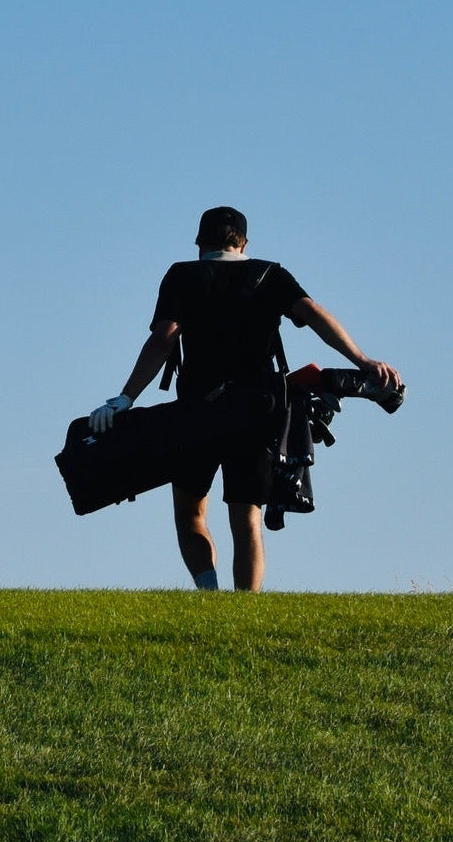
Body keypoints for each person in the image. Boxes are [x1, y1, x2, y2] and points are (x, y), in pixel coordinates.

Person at [89, 205, 400, 593]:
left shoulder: (182, 275)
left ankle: (210, 592)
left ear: (199, 242)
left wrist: (125, 397)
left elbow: (163, 338)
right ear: (245, 243)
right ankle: (244, 609)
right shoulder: (270, 274)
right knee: (247, 518)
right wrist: (362, 360)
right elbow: (315, 315)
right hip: (257, 410)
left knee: (190, 514)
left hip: (195, 414)